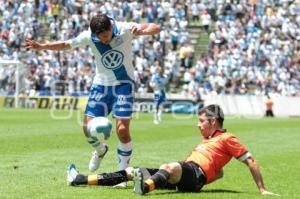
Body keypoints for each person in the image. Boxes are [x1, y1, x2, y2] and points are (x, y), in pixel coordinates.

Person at [26, 13, 161, 187]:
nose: (104, 40)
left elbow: (155, 27)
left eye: (106, 36)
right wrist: (43, 46)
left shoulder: (124, 28)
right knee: (87, 129)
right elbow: (67, 44)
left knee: (122, 130)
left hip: (123, 84)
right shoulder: (89, 36)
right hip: (100, 85)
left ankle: (121, 175)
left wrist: (142, 32)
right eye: (100, 38)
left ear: (111, 28)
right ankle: (100, 150)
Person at [67, 104, 279, 196]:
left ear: (214, 121)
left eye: (201, 121)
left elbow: (250, 160)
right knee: (131, 171)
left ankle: (145, 188)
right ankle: (80, 179)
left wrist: (261, 189)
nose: (198, 125)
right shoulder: (207, 140)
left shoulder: (227, 138)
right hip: (186, 172)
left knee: (168, 166)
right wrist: (214, 173)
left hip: (194, 175)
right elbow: (220, 172)